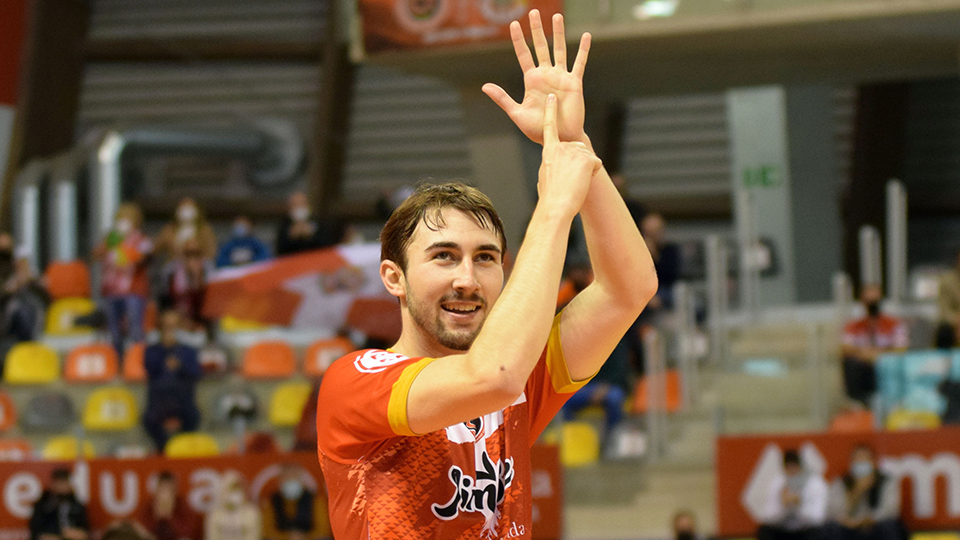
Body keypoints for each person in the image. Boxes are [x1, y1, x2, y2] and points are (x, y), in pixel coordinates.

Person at [316, 10, 657, 538]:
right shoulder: (356, 381)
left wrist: (572, 146)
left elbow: (628, 290)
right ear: (394, 277)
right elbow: (491, 379)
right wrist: (551, 210)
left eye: (485, 257)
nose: (467, 279)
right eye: (444, 256)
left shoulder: (519, 380)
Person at [93, 203, 152, 357]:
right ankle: (117, 360)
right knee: (113, 330)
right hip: (112, 291)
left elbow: (143, 258)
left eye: (128, 218)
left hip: (133, 291)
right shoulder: (111, 238)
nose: (124, 221)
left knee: (134, 328)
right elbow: (95, 255)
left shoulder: (142, 239)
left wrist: (125, 252)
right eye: (121, 217)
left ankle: (138, 360)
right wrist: (111, 243)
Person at [143, 309, 202, 452]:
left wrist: (180, 365)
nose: (170, 331)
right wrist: (165, 351)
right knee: (149, 419)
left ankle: (181, 448)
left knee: (193, 417)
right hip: (159, 401)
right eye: (167, 327)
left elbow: (196, 373)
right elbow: (150, 370)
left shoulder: (188, 351)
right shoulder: (152, 350)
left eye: (174, 327)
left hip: (183, 399)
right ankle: (165, 449)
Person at [841, 284, 908, 407]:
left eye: (875, 301)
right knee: (850, 363)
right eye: (869, 301)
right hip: (863, 364)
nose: (872, 305)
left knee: (896, 362)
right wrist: (864, 353)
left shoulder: (893, 324)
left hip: (886, 363)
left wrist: (878, 354)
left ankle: (895, 399)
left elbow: (901, 348)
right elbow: (845, 347)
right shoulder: (854, 325)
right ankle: (858, 402)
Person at [824, 445, 905, 540]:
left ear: (874, 462)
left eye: (865, 459)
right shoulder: (841, 483)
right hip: (849, 528)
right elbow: (834, 512)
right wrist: (857, 492)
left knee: (889, 526)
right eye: (857, 460)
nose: (861, 463)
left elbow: (891, 510)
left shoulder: (886, 481)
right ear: (851, 463)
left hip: (875, 527)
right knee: (831, 528)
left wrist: (870, 519)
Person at [758, 449, 829, 540]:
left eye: (794, 467)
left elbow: (818, 518)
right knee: (765, 530)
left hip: (805, 530)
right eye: (788, 468)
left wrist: (798, 504)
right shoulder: (778, 483)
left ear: (800, 466)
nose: (792, 472)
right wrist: (783, 506)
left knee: (821, 531)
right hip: (783, 530)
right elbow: (768, 516)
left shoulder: (814, 483)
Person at [261, 463, 330, 540]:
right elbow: (268, 531)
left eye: (294, 477)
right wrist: (288, 537)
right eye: (287, 478)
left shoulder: (314, 500)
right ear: (279, 481)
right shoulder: (273, 501)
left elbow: (323, 530)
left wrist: (303, 537)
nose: (291, 481)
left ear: (301, 480)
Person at [160, 238, 212, 332]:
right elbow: (167, 301)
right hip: (178, 319)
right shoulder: (171, 271)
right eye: (188, 254)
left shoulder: (208, 270)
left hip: (200, 322)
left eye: (196, 254)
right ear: (182, 255)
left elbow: (208, 303)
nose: (192, 259)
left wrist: (196, 278)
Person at [28, 467, 89, 540]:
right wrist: (59, 534)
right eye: (59, 483)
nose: (62, 486)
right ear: (53, 484)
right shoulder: (43, 505)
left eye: (65, 482)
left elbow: (85, 530)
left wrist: (74, 533)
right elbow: (36, 531)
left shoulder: (76, 505)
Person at [275, 192, 344, 256]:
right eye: (295, 204)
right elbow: (279, 253)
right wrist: (291, 238)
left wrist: (312, 236)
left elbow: (327, 249)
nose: (299, 207)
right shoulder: (284, 227)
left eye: (302, 204)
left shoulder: (320, 224)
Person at [139, 471, 201, 540]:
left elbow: (187, 532)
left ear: (175, 491)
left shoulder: (183, 505)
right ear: (156, 490)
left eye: (169, 490)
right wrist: (156, 517)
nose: (165, 496)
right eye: (162, 490)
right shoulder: (149, 506)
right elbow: (141, 532)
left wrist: (170, 517)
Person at [641, 212, 681, 311]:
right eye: (648, 233)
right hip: (642, 289)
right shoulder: (637, 250)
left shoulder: (670, 250)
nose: (652, 237)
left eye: (655, 232)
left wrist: (656, 257)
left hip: (665, 288)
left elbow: (670, 276)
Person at [204, 471, 261, 540]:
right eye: (232, 489)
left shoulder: (252, 513)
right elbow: (212, 537)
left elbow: (253, 537)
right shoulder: (215, 513)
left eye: (238, 489)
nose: (235, 493)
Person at [936, 250, 960, 348]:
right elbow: (945, 311)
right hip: (954, 324)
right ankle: (945, 359)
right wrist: (957, 321)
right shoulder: (947, 282)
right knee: (944, 331)